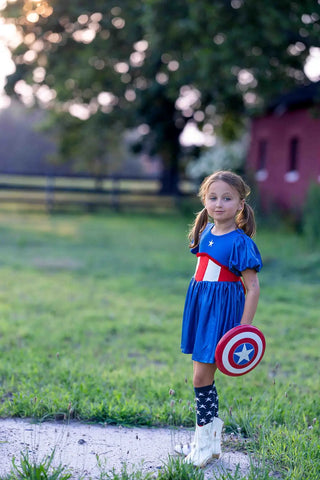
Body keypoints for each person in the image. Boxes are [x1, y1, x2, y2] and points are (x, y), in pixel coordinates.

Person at [175, 170, 262, 467]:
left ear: (240, 204)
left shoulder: (240, 243)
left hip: (222, 314)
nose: (219, 204)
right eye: (213, 197)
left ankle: (205, 442)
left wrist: (242, 329)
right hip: (202, 308)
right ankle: (209, 443)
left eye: (227, 198)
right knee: (203, 376)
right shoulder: (205, 233)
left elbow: (252, 288)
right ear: (204, 200)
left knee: (201, 376)